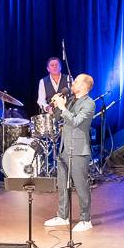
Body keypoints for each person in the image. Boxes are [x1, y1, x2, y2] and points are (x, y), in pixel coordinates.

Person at [44, 72, 97, 231]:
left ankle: (86, 220)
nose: (72, 84)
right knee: (62, 184)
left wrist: (63, 107)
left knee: (81, 186)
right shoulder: (72, 100)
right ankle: (63, 217)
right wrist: (55, 106)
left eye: (75, 82)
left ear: (84, 86)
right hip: (65, 147)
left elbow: (75, 121)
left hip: (79, 150)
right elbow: (58, 118)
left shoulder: (89, 104)